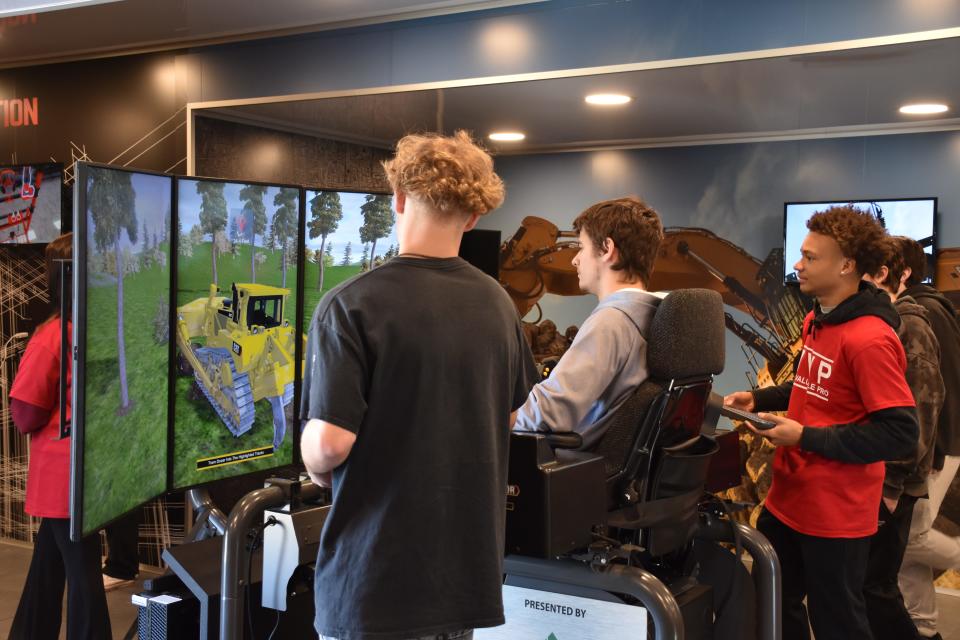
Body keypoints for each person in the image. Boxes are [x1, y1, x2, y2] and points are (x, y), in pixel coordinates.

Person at [300, 130, 539, 640]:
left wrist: (314, 463)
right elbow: (510, 416)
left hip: (375, 587)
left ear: (399, 198)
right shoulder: (499, 305)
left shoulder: (349, 305)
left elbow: (329, 443)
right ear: (473, 217)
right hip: (461, 585)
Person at [724, 206, 918, 640]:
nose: (798, 265)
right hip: (788, 499)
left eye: (811, 257)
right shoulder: (818, 318)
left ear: (848, 266)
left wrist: (805, 436)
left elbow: (900, 432)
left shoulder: (870, 339)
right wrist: (760, 398)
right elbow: (811, 384)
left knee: (838, 623)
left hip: (836, 515)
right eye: (801, 255)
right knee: (775, 608)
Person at [8, 233, 113, 640]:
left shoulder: (52, 335)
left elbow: (24, 412)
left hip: (60, 477)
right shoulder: (97, 326)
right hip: (87, 469)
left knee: (81, 575)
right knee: (48, 563)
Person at [513, 196, 663, 449]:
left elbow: (551, 412)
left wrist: (490, 418)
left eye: (581, 247)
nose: (575, 259)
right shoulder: (653, 315)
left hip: (575, 464)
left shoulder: (612, 321)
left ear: (607, 249)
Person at [860, 237, 945, 640]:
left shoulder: (910, 324)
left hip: (896, 478)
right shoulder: (887, 320)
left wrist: (893, 482)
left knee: (874, 585)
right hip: (881, 473)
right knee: (877, 584)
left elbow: (925, 405)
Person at [894, 236, 960, 640]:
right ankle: (923, 626)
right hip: (940, 442)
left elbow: (929, 394)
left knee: (907, 541)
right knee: (904, 553)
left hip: (935, 445)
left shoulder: (922, 315)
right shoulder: (934, 306)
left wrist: (927, 453)